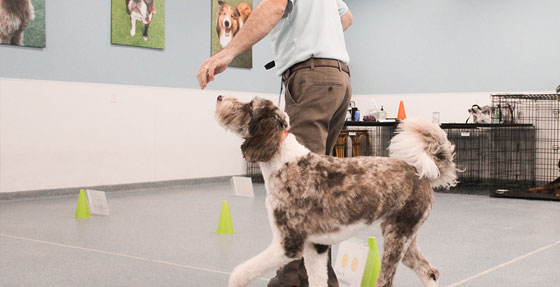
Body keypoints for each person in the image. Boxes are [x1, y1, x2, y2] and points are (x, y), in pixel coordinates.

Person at [198, 0, 353, 286]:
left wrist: (228, 52)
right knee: (317, 189)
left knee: (297, 190)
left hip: (311, 78)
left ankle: (291, 280)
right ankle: (321, 278)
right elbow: (347, 18)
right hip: (338, 77)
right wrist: (315, 39)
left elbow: (274, 7)